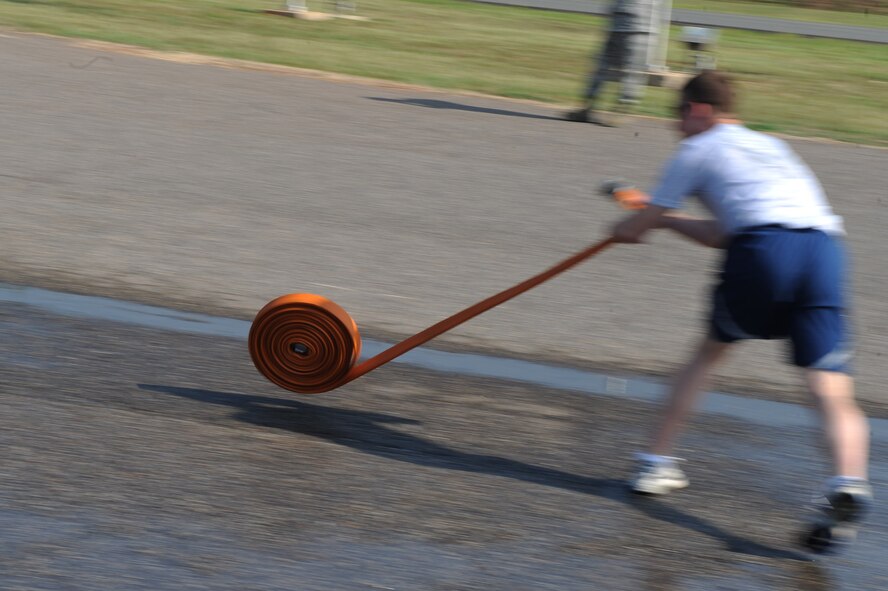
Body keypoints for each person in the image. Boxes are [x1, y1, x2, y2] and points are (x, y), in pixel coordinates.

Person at [609, 70, 872, 554]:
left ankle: (655, 463)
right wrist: (663, 218)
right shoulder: (771, 147)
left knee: (707, 355)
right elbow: (719, 234)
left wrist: (628, 222)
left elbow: (636, 228)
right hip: (824, 250)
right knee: (830, 387)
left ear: (699, 111)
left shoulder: (695, 150)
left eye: (678, 116)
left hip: (764, 251)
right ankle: (848, 484)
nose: (675, 126)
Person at [565, 0, 653, 126]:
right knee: (600, 67)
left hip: (639, 28)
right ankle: (587, 108)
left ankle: (622, 110)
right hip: (616, 24)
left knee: (631, 72)